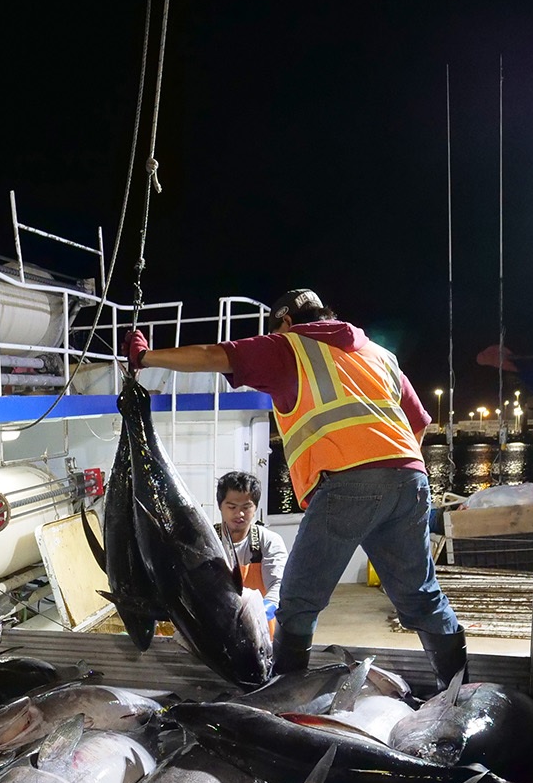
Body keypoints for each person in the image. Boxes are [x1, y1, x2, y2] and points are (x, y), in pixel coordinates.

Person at [126, 288, 467, 685]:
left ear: (286, 321)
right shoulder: (378, 354)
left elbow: (212, 355)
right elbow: (420, 421)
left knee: (299, 603)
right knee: (421, 596)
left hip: (346, 485)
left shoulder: (289, 347)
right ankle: (456, 692)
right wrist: (394, 471)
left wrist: (145, 357)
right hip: (411, 480)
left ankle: (284, 702)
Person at [214, 471, 288, 619]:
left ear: (255, 508)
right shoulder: (208, 541)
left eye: (246, 507)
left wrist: (263, 611)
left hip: (260, 626)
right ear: (220, 506)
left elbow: (279, 585)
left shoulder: (269, 540)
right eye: (232, 507)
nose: (239, 514)